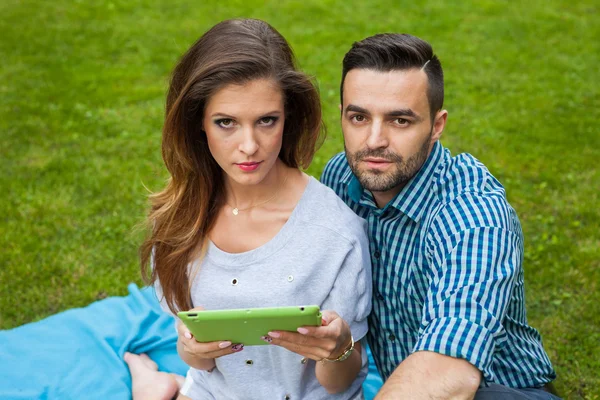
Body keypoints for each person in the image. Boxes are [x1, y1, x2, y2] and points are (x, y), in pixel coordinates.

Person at [125, 18, 372, 400]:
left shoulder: (337, 233)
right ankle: (160, 384)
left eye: (266, 121)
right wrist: (192, 351)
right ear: (199, 124)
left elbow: (339, 381)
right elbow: (200, 359)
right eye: (226, 123)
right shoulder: (182, 217)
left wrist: (338, 349)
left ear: (287, 117)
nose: (249, 146)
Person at [320, 33, 560, 399]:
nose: (374, 140)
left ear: (436, 125)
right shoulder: (341, 177)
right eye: (358, 117)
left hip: (492, 389)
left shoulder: (473, 214)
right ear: (342, 116)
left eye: (399, 121)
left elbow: (449, 371)